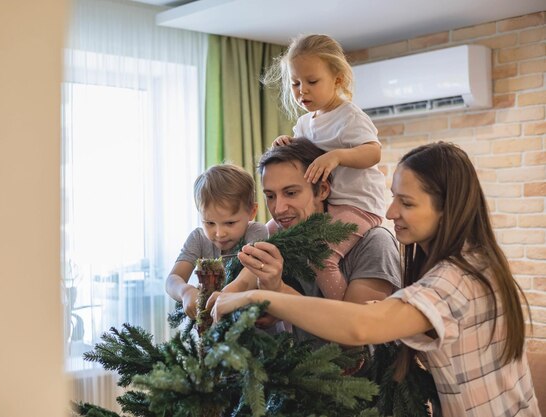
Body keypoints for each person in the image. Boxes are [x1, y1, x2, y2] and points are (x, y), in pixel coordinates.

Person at [212, 142, 540, 417]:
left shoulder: (456, 277)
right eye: (394, 196)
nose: (391, 211)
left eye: (406, 202)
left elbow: (360, 328)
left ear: (447, 208)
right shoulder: (471, 259)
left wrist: (259, 296)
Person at [217, 139, 400, 342]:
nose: (279, 208)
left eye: (291, 193)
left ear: (322, 190)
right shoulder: (273, 240)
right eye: (270, 196)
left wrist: (279, 292)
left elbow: (356, 344)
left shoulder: (374, 243)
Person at [262, 34, 387, 301]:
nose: (302, 90)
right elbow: (300, 151)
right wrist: (286, 142)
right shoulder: (306, 123)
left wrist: (338, 156)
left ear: (338, 80)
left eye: (312, 82)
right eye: (295, 83)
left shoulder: (350, 116)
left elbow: (373, 152)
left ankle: (339, 313)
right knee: (269, 230)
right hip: (331, 204)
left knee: (322, 255)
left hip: (358, 205)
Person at [165, 164, 268, 319]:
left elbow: (253, 272)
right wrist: (185, 291)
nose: (219, 233)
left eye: (230, 223)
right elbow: (172, 279)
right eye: (209, 223)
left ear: (252, 212)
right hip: (212, 331)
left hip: (257, 329)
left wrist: (225, 296)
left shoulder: (256, 232)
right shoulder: (198, 238)